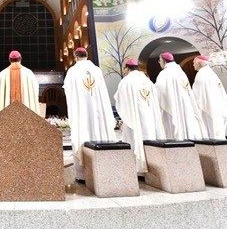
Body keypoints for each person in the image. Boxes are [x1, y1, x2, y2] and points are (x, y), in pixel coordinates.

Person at [63, 48, 116, 183]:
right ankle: (103, 170)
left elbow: (68, 91)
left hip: (81, 112)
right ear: (87, 56)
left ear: (75, 56)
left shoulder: (72, 71)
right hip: (98, 112)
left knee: (83, 133)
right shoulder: (97, 71)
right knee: (99, 131)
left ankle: (82, 175)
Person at [113, 58, 165, 174]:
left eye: (124, 68)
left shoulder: (126, 81)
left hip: (134, 119)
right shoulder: (147, 81)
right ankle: (155, 167)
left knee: (135, 141)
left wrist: (125, 116)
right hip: (150, 117)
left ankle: (138, 169)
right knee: (150, 137)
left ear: (127, 68)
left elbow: (119, 101)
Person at [155, 52, 207, 140]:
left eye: (160, 60)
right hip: (185, 105)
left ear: (164, 61)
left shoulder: (164, 73)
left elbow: (159, 91)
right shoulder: (180, 72)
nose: (159, 63)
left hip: (173, 106)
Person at [192, 55, 227, 139]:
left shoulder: (201, 74)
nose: (193, 65)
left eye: (194, 63)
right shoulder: (211, 73)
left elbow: (197, 95)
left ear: (199, 63)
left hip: (208, 106)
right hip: (217, 104)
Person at [0, 50, 39, 116]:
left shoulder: (2, 75)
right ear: (20, 59)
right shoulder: (29, 73)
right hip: (25, 115)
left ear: (9, 59)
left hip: (7, 117)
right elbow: (35, 92)